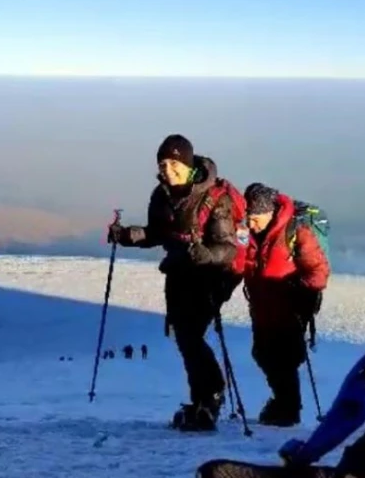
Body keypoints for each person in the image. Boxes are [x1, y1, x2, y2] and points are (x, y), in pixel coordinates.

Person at [108, 134, 246, 431]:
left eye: (174, 163)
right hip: (180, 271)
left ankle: (210, 396)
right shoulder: (162, 195)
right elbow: (157, 233)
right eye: (163, 163)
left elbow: (228, 248)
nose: (167, 170)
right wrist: (126, 235)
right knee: (185, 337)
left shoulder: (213, 198)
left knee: (190, 334)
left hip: (212, 275)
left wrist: (205, 254)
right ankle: (202, 400)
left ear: (187, 164)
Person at [241, 183, 329, 427]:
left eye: (255, 219)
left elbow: (318, 270)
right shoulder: (248, 236)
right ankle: (283, 403)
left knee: (284, 360)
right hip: (261, 310)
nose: (251, 224)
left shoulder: (295, 231)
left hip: (290, 310)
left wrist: (301, 291)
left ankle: (287, 410)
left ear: (269, 213)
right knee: (262, 355)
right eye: (248, 218)